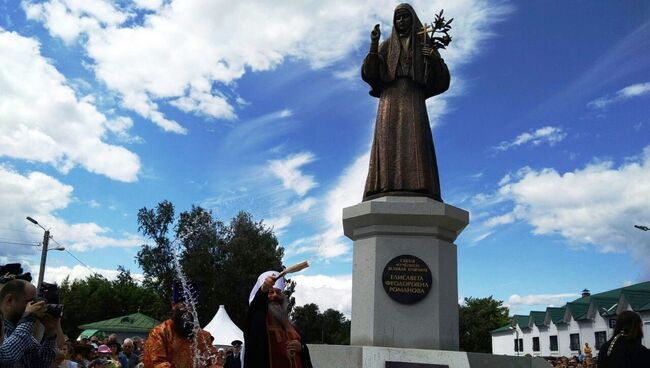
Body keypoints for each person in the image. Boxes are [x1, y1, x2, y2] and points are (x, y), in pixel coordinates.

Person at [361, 3, 451, 202]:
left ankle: (419, 184)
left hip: (413, 98)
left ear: (412, 19)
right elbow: (370, 73)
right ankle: (386, 184)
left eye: (405, 17)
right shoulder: (387, 45)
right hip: (390, 99)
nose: (401, 21)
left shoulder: (423, 45)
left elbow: (441, 80)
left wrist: (435, 59)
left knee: (416, 139)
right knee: (388, 140)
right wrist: (374, 44)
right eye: (398, 18)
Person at [244, 271, 312, 368]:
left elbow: (303, 349)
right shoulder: (258, 320)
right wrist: (263, 290)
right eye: (270, 292)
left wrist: (301, 348)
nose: (275, 295)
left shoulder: (291, 325)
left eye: (278, 292)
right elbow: (255, 310)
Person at [143, 283, 219, 368]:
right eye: (184, 304)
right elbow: (158, 363)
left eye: (191, 305)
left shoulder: (204, 337)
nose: (188, 309)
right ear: (173, 305)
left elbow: (216, 362)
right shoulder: (160, 333)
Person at [0, 279, 58, 367]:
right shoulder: (23, 330)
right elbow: (5, 356)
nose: (33, 307)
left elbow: (42, 364)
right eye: (30, 302)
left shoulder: (22, 333)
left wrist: (50, 334)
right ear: (9, 300)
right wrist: (28, 317)